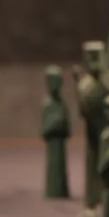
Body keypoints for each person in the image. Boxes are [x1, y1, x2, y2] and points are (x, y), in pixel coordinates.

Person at [74, 41, 109, 217]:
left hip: (102, 129)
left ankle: (98, 200)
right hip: (98, 130)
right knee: (96, 162)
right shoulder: (96, 84)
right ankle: (95, 200)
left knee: (102, 163)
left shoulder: (90, 84)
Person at [41, 65, 71, 199]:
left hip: (60, 143)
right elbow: (43, 129)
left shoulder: (62, 104)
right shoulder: (47, 105)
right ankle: (54, 190)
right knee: (53, 168)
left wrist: (62, 126)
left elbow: (68, 126)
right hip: (53, 143)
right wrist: (54, 125)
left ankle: (60, 190)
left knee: (61, 170)